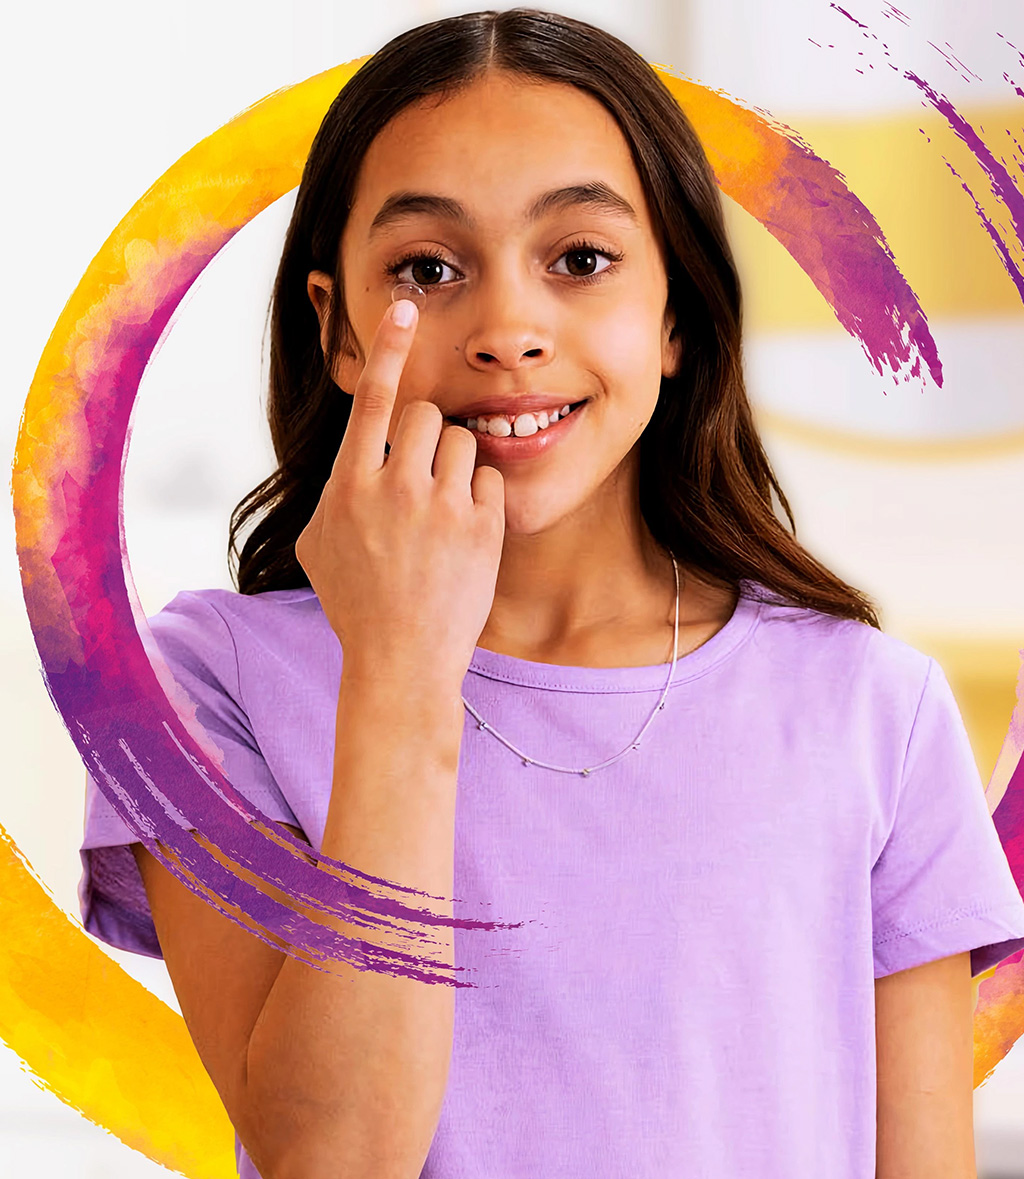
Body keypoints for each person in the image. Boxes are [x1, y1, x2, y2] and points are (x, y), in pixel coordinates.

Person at [79, 8, 1024, 1178]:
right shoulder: (206, 685)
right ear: (335, 327)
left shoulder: (874, 712)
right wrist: (402, 671)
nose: (509, 331)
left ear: (674, 312)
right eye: (429, 269)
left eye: (580, 260)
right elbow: (327, 1160)